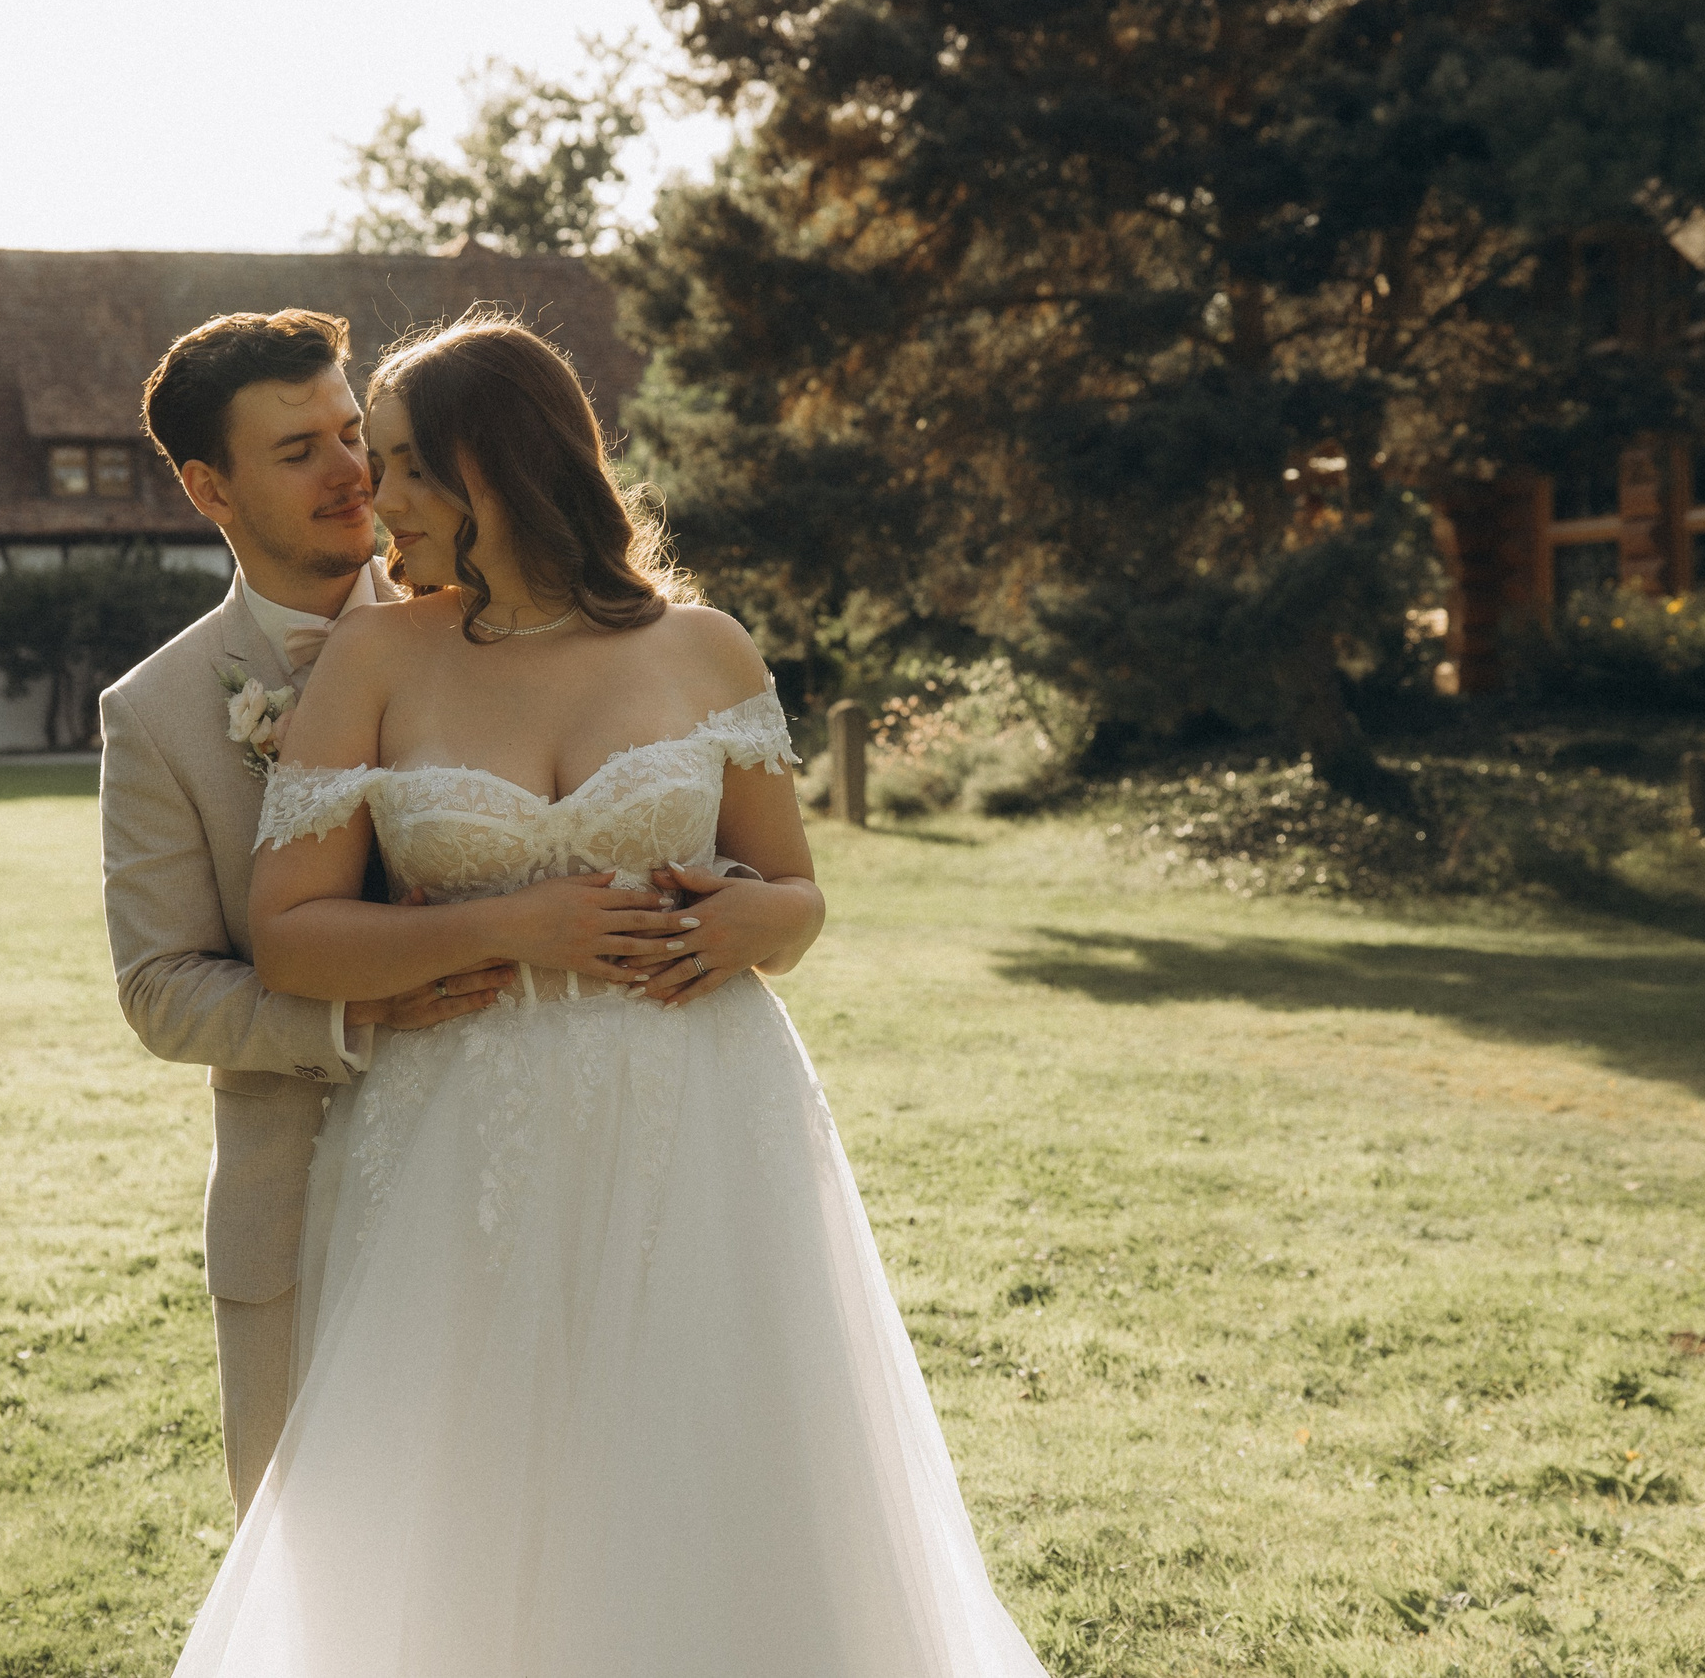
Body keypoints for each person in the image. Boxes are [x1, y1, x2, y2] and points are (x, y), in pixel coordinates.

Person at [172, 315, 1049, 1676]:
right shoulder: (381, 660)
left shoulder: (704, 647)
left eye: (405, 467)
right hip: (470, 1130)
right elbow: (290, 935)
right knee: (476, 1486)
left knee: (715, 1462)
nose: (375, 498)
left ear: (498, 469)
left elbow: (795, 894)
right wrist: (520, 920)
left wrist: (761, 917)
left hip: (701, 1117)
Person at [98, 309, 813, 1524]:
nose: (358, 477)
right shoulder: (166, 709)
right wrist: (381, 1008)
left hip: (665, 1136)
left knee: (686, 1508)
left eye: (357, 439)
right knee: (371, 1566)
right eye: (302, 452)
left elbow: (780, 883)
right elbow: (163, 983)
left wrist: (750, 919)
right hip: (347, 1165)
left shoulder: (649, 640)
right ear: (206, 486)